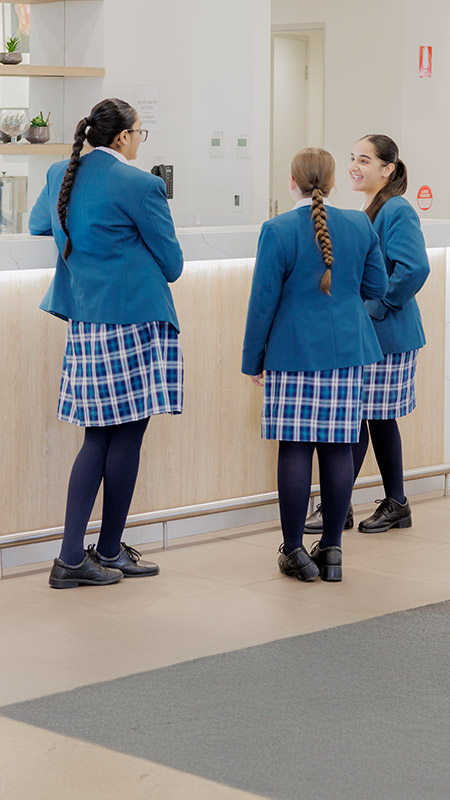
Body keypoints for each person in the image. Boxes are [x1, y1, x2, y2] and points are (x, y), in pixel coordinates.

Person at [29, 98, 184, 588]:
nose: (140, 141)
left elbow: (40, 224)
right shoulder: (142, 185)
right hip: (135, 321)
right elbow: (174, 264)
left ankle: (82, 554)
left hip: (88, 320)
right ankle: (96, 553)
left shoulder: (61, 173)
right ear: (122, 138)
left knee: (97, 435)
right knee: (125, 435)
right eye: (140, 133)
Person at [241, 148, 388, 582]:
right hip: (346, 352)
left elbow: (262, 301)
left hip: (292, 354)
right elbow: (377, 285)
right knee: (338, 447)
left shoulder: (277, 229)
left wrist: (253, 359)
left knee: (295, 447)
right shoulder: (359, 223)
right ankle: (332, 551)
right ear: (333, 182)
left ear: (292, 181)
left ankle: (294, 553)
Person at [304, 134, 430, 535]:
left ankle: (337, 508)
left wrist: (374, 306)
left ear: (388, 169)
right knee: (375, 418)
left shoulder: (397, 209)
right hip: (374, 335)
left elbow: (413, 269)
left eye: (365, 160)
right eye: (352, 159)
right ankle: (395, 503)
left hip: (388, 333)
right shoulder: (368, 207)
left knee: (360, 418)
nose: (355, 166)